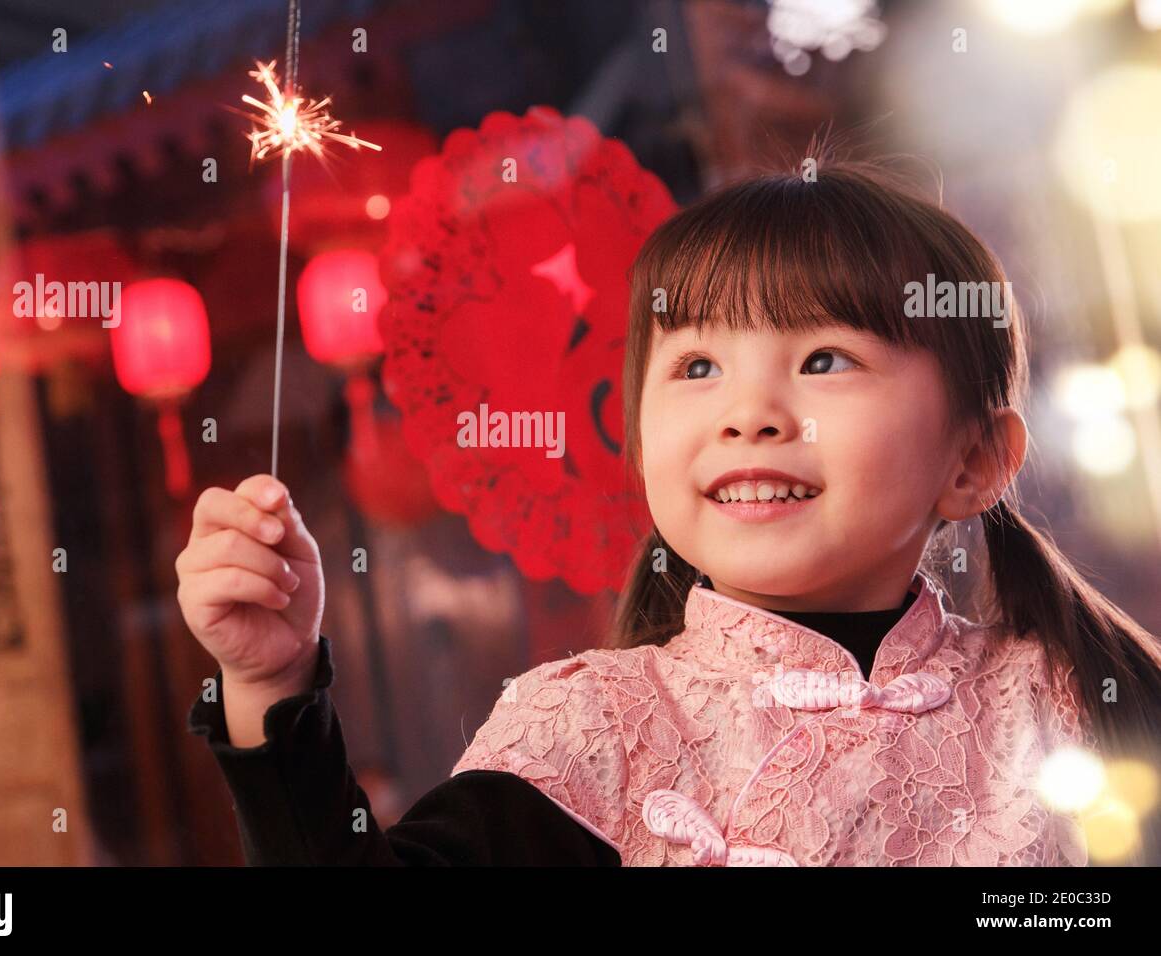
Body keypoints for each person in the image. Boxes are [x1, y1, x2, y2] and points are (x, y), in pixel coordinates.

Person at [176, 152, 1161, 866]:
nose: (749, 414)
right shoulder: (589, 734)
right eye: (695, 365)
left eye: (824, 359)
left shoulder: (1076, 698)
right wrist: (270, 684)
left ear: (975, 458)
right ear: (639, 441)